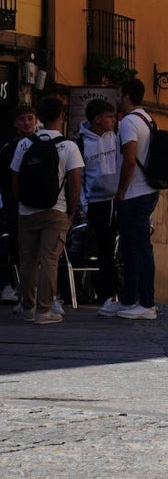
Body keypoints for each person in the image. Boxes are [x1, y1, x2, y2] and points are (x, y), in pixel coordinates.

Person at [12, 96, 83, 324]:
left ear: (39, 117)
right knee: (49, 260)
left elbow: (15, 177)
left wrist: (21, 201)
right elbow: (75, 181)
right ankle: (44, 310)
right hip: (57, 211)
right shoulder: (69, 146)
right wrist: (72, 212)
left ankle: (27, 307)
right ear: (62, 116)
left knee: (28, 261)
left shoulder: (24, 144)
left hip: (27, 211)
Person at [115, 79, 162, 320]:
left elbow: (130, 159)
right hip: (147, 190)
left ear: (125, 95)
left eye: (118, 93)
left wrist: (121, 190)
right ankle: (130, 299)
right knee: (132, 247)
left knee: (139, 247)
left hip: (134, 192)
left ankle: (145, 302)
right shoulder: (148, 119)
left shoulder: (129, 123)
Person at [77, 98, 122, 316]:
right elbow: (80, 176)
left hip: (118, 198)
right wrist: (85, 205)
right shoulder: (82, 143)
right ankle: (107, 296)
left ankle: (125, 294)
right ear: (97, 119)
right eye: (109, 117)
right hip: (97, 203)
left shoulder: (117, 137)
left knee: (124, 249)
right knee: (103, 251)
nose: (114, 120)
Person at [0, 104, 38, 305]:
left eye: (30, 118)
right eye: (23, 119)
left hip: (39, 205)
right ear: (15, 123)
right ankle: (13, 285)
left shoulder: (43, 144)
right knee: (15, 246)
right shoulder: (9, 149)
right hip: (15, 207)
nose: (27, 123)